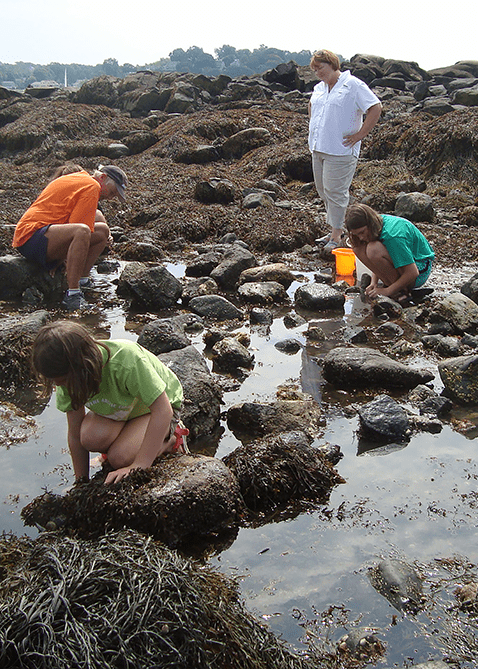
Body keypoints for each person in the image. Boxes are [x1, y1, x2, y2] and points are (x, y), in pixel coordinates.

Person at [31, 321, 188, 485]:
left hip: (159, 408)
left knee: (120, 458)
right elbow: (75, 435)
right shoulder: (67, 378)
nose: (59, 386)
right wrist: (81, 481)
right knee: (89, 438)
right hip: (123, 410)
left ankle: (170, 440)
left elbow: (163, 411)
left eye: (61, 381)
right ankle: (127, 441)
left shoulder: (126, 360)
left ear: (83, 367)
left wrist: (139, 464)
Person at [13, 164, 128, 311]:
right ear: (103, 178)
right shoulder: (92, 185)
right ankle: (73, 294)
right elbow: (78, 228)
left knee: (102, 231)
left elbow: (72, 223)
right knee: (82, 231)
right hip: (30, 236)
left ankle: (83, 280)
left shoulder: (83, 180)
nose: (111, 197)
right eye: (112, 192)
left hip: (43, 235)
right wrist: (62, 260)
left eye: (114, 196)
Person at [308, 50, 382, 253]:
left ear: (332, 65)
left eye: (320, 68)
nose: (317, 73)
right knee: (324, 191)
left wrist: (360, 135)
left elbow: (375, 107)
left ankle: (337, 235)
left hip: (341, 149)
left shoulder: (353, 85)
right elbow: (312, 107)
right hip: (318, 146)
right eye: (314, 70)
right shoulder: (319, 88)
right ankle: (334, 229)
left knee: (336, 192)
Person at [345, 203, 435, 300]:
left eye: (362, 232)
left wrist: (387, 291)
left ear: (370, 224)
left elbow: (413, 272)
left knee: (373, 249)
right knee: (357, 247)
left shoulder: (393, 236)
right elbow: (377, 261)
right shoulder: (375, 227)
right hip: (404, 262)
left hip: (420, 266)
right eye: (357, 234)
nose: (361, 237)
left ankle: (401, 291)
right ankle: (397, 288)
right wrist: (374, 283)